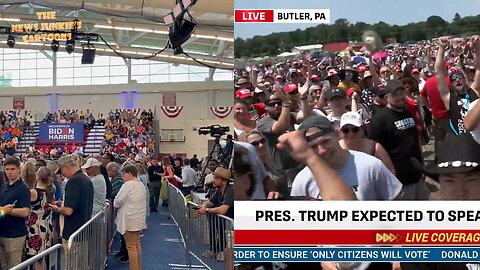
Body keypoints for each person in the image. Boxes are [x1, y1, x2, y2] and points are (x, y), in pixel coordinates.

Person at [288, 116, 401, 200]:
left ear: (337, 134)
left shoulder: (371, 166)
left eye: (325, 141)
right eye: (313, 146)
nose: (321, 150)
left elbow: (396, 203)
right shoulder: (302, 181)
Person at [368, 80, 426, 200]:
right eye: (395, 94)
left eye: (402, 93)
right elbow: (374, 152)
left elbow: (415, 141)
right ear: (387, 97)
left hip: (417, 176)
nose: (400, 97)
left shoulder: (408, 113)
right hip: (399, 183)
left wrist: (422, 165)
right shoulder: (379, 119)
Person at [48, 156, 93, 260]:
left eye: (61, 171)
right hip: (82, 230)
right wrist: (62, 203)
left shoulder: (74, 181)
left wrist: (56, 208)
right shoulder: (85, 179)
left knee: (72, 263)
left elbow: (68, 211)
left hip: (72, 231)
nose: (62, 175)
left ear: (66, 167)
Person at [435, 36, 479, 136]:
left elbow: (479, 69)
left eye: (459, 77)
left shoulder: (474, 91)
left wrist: (477, 46)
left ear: (465, 79)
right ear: (451, 83)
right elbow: (438, 72)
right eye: (454, 79)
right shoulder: (449, 97)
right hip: (461, 141)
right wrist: (441, 48)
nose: (457, 80)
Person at [196, 167, 234, 262]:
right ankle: (215, 250)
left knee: (224, 233)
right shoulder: (219, 191)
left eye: (216, 178)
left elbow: (223, 210)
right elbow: (209, 203)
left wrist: (207, 210)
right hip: (227, 224)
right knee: (218, 231)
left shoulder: (230, 191)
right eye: (214, 177)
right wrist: (202, 207)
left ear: (224, 182)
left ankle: (222, 251)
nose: (213, 180)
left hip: (235, 223)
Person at [0, 157, 31, 270]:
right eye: (7, 169)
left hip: (15, 234)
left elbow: (25, 211)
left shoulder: (23, 188)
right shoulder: (3, 187)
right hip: (2, 232)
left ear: (19, 169)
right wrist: (4, 210)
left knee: (14, 266)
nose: (9, 172)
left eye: (12, 169)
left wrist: (9, 211)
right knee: (4, 266)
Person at [114, 165, 147, 270]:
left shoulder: (128, 185)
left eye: (124, 174)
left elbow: (117, 201)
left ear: (129, 173)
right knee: (136, 245)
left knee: (131, 247)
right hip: (138, 219)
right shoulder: (140, 184)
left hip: (129, 220)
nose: (122, 176)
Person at [25, 166, 55, 269]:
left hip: (36, 230)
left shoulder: (33, 192)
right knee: (42, 258)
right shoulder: (50, 191)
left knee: (36, 259)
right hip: (47, 227)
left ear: (37, 177)